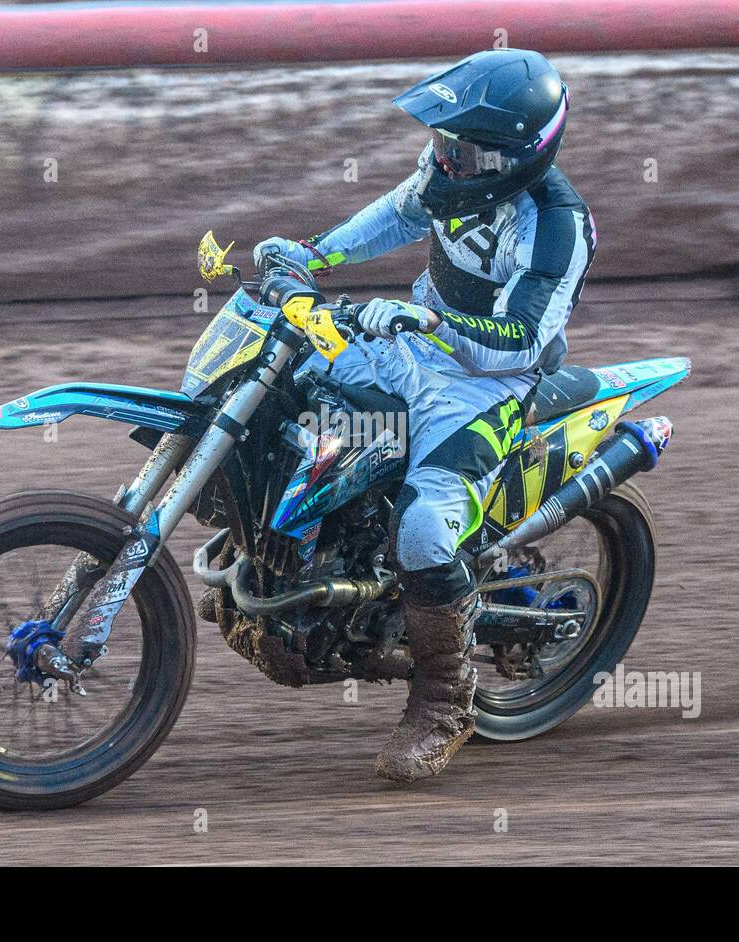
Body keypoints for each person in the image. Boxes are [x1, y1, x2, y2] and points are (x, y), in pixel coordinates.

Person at [254, 48, 596, 782]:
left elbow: (527, 338)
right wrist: (311, 254)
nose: (444, 160)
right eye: (442, 142)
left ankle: (446, 700)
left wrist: (430, 328)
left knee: (421, 526)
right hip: (415, 343)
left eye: (462, 151)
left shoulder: (555, 226)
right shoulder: (452, 177)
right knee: (291, 373)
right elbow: (398, 214)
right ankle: (293, 562)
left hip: (487, 387)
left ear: (517, 157)